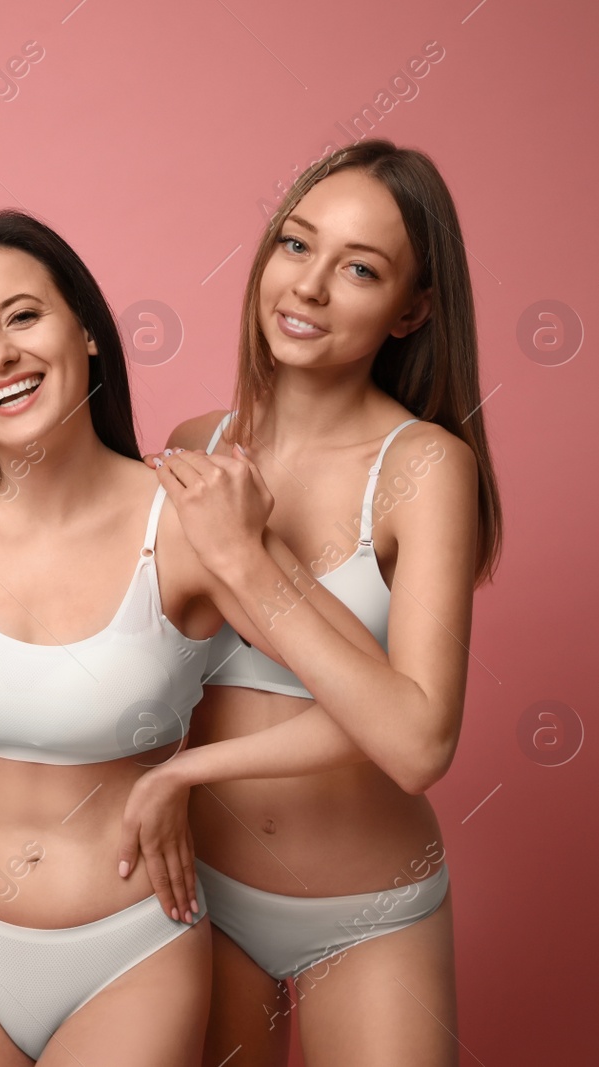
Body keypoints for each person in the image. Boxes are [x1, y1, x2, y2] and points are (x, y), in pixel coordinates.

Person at [0, 210, 386, 1065]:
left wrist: (191, 770)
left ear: (84, 329)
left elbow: (375, 705)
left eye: (22, 316)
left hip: (131, 953)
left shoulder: (187, 521)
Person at [118, 139, 503, 1065]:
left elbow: (415, 741)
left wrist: (249, 564)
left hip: (368, 913)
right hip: (197, 897)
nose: (310, 287)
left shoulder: (423, 470)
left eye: (359, 269)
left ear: (412, 310)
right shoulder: (195, 442)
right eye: (296, 246)